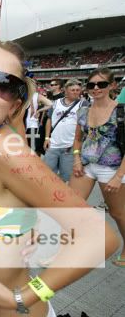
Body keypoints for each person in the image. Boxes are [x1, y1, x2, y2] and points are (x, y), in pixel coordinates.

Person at [0, 41, 118, 316]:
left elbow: (101, 237)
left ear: (15, 104)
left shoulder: (5, 150)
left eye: (5, 84)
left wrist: (22, 297)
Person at [71, 68, 125, 268]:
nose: (95, 88)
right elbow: (78, 138)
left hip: (112, 168)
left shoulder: (121, 110)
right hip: (85, 165)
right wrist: (76, 159)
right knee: (69, 208)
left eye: (101, 84)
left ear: (112, 85)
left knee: (118, 213)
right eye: (91, 84)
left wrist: (119, 176)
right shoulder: (83, 109)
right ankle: (63, 249)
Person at [43, 79, 88, 182]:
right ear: (66, 91)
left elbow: (84, 125)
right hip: (53, 144)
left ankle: (59, 195)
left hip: (70, 146)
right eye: (73, 90)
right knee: (47, 173)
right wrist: (46, 137)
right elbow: (49, 120)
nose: (76, 92)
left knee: (66, 177)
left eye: (78, 90)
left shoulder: (83, 103)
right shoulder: (56, 103)